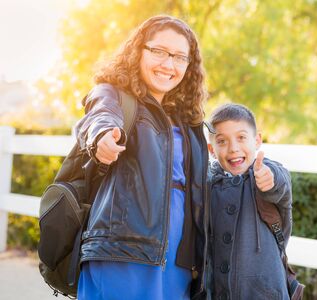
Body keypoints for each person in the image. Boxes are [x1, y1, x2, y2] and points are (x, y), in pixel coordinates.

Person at [74, 15, 209, 300]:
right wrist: (102, 137)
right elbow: (98, 116)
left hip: (178, 260)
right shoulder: (113, 96)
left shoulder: (188, 121)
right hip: (123, 250)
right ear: (138, 51)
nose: (168, 64)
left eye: (179, 57)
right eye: (158, 51)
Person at [207, 103, 293, 300]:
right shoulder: (208, 184)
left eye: (241, 137)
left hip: (265, 293)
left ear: (257, 140)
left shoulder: (265, 173)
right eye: (222, 141)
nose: (233, 148)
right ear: (211, 149)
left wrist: (269, 179)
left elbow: (280, 182)